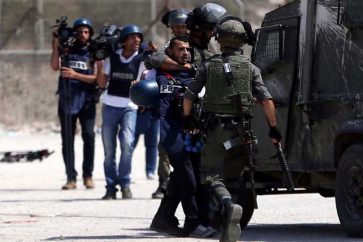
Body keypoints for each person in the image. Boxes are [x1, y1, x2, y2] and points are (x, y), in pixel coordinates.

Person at [183, 16, 282, 242]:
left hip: (216, 131)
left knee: (212, 176)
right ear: (241, 41)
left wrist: (187, 119)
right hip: (243, 132)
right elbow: (267, 101)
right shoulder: (251, 68)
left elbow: (189, 97)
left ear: (219, 40)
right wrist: (274, 129)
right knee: (235, 176)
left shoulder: (209, 66)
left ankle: (227, 205)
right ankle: (230, 215)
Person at [148, 2, 227, 237]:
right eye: (212, 27)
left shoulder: (209, 52)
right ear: (201, 28)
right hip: (177, 123)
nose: (215, 32)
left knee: (186, 174)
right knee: (188, 176)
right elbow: (156, 59)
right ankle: (194, 222)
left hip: (197, 123)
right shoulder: (181, 47)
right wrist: (188, 68)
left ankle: (163, 218)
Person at [96, 24, 144, 200]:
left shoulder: (140, 60)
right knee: (109, 149)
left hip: (129, 107)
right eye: (132, 37)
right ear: (124, 41)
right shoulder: (112, 58)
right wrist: (99, 64)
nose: (136, 39)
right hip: (110, 105)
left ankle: (125, 183)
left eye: (138, 36)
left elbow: (142, 82)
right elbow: (102, 84)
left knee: (127, 144)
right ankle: (110, 187)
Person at [50, 18, 97, 190]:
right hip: (67, 99)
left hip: (87, 100)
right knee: (67, 139)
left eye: (86, 32)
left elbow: (96, 78)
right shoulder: (66, 49)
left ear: (90, 34)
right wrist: (56, 45)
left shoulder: (93, 51)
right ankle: (71, 177)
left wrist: (75, 75)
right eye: (79, 31)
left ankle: (88, 176)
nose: (83, 35)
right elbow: (55, 66)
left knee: (89, 137)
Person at [150, 8, 190, 199]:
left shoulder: (198, 45)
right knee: (165, 147)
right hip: (172, 102)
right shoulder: (168, 46)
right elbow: (156, 59)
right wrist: (184, 67)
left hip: (195, 102)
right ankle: (164, 182)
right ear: (172, 28)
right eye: (178, 26)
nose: (182, 29)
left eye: (184, 26)